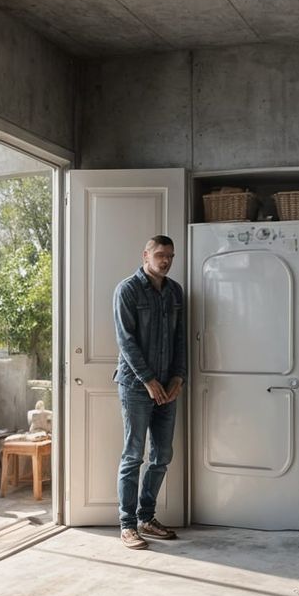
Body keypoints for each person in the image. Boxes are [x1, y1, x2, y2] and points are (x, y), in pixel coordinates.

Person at [112, 234, 186, 550]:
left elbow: (181, 338)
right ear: (146, 255)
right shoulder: (127, 290)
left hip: (168, 387)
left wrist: (178, 378)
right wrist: (147, 380)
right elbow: (126, 340)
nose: (165, 260)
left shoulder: (174, 292)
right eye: (160, 254)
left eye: (170, 255)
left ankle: (146, 517)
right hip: (135, 385)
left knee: (162, 455)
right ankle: (127, 525)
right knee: (133, 455)